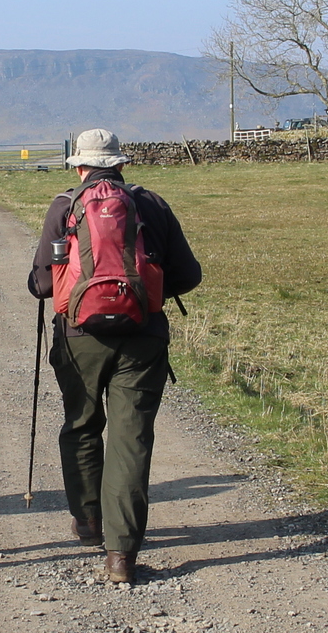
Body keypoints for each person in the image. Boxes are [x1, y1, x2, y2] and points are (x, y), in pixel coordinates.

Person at [26, 128, 201, 584]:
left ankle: (88, 522)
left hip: (79, 336)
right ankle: (121, 555)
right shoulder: (151, 204)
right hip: (143, 338)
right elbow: (188, 275)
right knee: (131, 438)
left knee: (82, 425)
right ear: (121, 164)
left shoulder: (64, 206)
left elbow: (43, 285)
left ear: (79, 166)